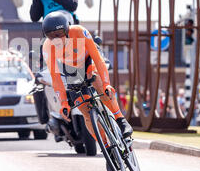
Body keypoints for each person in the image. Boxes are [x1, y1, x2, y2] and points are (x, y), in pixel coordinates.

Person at [41, 11, 133, 147]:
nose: (56, 39)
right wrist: (64, 103)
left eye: (59, 34)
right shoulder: (48, 47)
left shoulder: (79, 31)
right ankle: (107, 147)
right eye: (51, 36)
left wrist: (107, 84)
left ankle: (120, 120)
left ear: (66, 30)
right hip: (72, 70)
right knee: (86, 113)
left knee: (97, 81)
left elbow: (97, 58)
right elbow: (56, 78)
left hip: (89, 60)